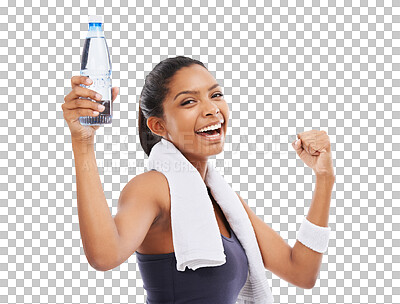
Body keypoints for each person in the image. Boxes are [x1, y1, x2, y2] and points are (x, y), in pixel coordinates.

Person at [62, 56, 335, 303]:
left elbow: (301, 272)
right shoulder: (154, 188)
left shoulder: (221, 200)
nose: (211, 109)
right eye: (189, 101)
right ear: (159, 126)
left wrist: (324, 178)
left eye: (215, 95)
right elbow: (104, 256)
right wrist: (83, 143)